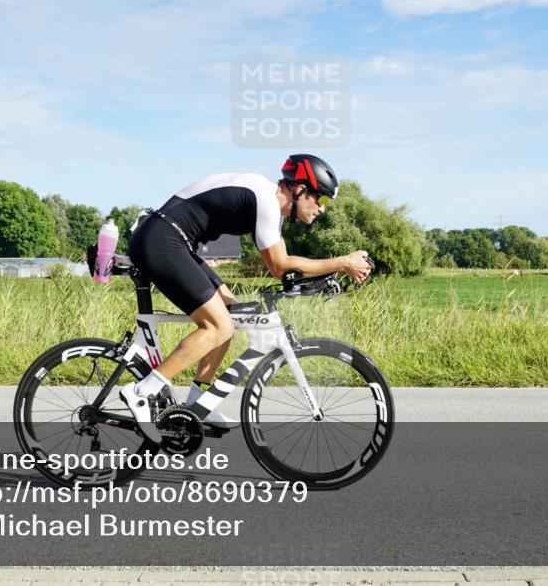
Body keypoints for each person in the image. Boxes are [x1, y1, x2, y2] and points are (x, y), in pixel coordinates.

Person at [119, 154, 373, 441]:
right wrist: (342, 263)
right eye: (321, 199)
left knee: (232, 313)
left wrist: (328, 273)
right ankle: (142, 391)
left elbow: (286, 266)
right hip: (162, 240)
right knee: (219, 326)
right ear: (300, 189)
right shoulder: (265, 199)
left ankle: (198, 400)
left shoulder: (267, 202)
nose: (322, 209)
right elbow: (280, 266)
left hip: (173, 241)